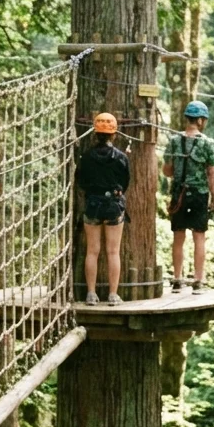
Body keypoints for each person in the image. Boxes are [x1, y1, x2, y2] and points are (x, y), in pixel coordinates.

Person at [164, 100, 214, 292]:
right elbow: (211, 173)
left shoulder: (174, 141)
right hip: (199, 195)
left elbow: (167, 171)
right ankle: (198, 280)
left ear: (188, 118)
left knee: (178, 237)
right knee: (199, 237)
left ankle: (177, 279)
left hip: (178, 195)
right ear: (202, 120)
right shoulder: (207, 143)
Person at [77, 112, 131, 306]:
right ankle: (113, 294)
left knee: (92, 251)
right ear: (114, 134)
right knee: (113, 251)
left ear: (95, 133)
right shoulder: (122, 158)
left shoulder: (86, 157)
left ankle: (91, 294)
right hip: (114, 206)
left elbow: (80, 181)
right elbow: (125, 182)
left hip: (92, 205)